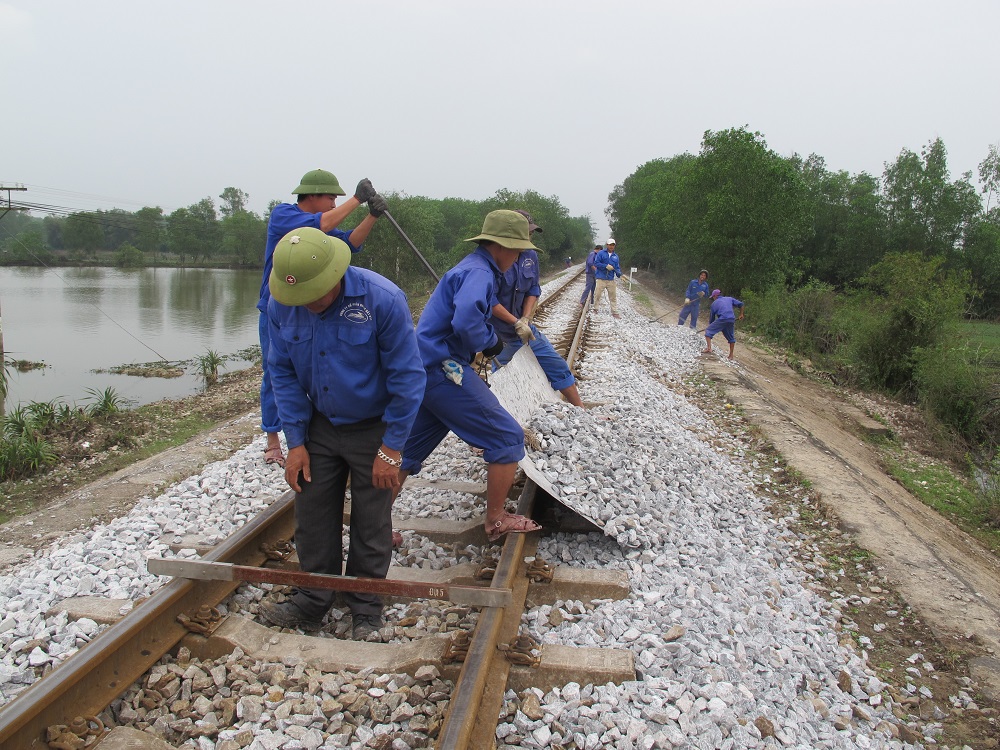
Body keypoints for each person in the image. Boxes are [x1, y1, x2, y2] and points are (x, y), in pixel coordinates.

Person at [259, 226, 424, 640]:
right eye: (300, 298)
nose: (308, 305)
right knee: (311, 510)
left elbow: (408, 377)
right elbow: (281, 371)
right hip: (318, 422)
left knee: (372, 517)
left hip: (374, 425)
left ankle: (365, 603)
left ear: (335, 275)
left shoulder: (381, 299)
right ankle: (314, 598)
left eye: (315, 294)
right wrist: (294, 442)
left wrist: (392, 448)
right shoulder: (283, 303)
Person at [395, 210, 542, 543]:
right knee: (506, 437)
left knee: (407, 451)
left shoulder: (475, 268)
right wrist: (489, 342)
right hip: (444, 368)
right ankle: (497, 520)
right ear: (501, 246)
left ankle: (370, 526)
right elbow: (465, 323)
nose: (519, 256)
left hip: (426, 366)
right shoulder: (479, 273)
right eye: (517, 249)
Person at [256, 168, 388, 468]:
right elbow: (325, 221)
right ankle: (273, 438)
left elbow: (350, 244)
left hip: (317, 303)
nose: (333, 203)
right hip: (280, 307)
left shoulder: (321, 233)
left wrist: (372, 217)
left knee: (323, 363)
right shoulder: (283, 215)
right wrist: (357, 199)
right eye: (330, 197)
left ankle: (318, 424)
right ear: (311, 195)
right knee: (275, 370)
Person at [489, 210, 583, 407]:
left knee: (557, 365)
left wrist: (525, 318)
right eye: (527, 232)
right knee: (501, 379)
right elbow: (489, 300)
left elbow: (533, 288)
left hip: (524, 330)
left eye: (531, 232)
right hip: (499, 334)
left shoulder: (531, 255)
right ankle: (507, 421)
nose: (530, 236)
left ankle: (581, 412)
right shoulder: (495, 257)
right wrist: (514, 322)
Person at [703, 289, 746, 360]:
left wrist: (710, 326)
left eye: (713, 297)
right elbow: (741, 304)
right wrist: (741, 314)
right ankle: (731, 355)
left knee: (708, 331)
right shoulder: (729, 299)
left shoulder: (714, 304)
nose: (713, 299)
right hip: (731, 319)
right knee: (731, 338)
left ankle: (709, 348)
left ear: (715, 296)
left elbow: (712, 319)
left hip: (723, 319)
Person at [594, 238, 622, 318]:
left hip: (610, 279)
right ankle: (595, 308)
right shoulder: (601, 253)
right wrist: (605, 266)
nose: (611, 246)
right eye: (610, 245)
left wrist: (619, 273)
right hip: (601, 278)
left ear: (614, 246)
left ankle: (614, 311)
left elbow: (617, 267)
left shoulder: (616, 257)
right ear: (607, 245)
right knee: (597, 294)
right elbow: (596, 263)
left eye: (613, 245)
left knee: (613, 296)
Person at [579, 243, 600, 307]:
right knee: (588, 287)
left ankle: (592, 301)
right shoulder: (592, 254)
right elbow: (590, 263)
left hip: (594, 274)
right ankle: (582, 301)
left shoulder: (596, 255)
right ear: (598, 249)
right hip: (590, 273)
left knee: (594, 288)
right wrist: (596, 269)